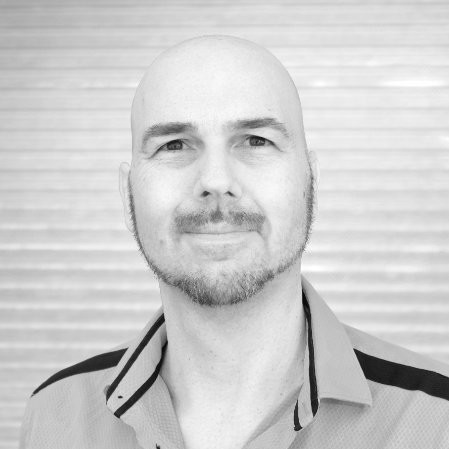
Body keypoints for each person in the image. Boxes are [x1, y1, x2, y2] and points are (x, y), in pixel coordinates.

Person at [20, 35, 449, 449]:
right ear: (127, 191)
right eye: (174, 145)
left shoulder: (438, 420)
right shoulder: (54, 417)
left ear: (310, 180)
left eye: (256, 140)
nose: (215, 180)